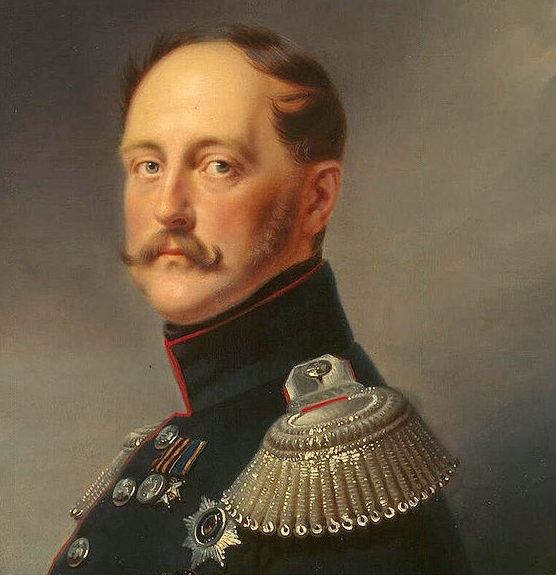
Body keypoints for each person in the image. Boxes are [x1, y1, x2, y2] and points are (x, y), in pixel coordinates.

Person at [47, 25, 471, 575]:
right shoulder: (182, 435)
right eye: (148, 165)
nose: (167, 208)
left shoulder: (339, 460)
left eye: (217, 165)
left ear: (316, 199)